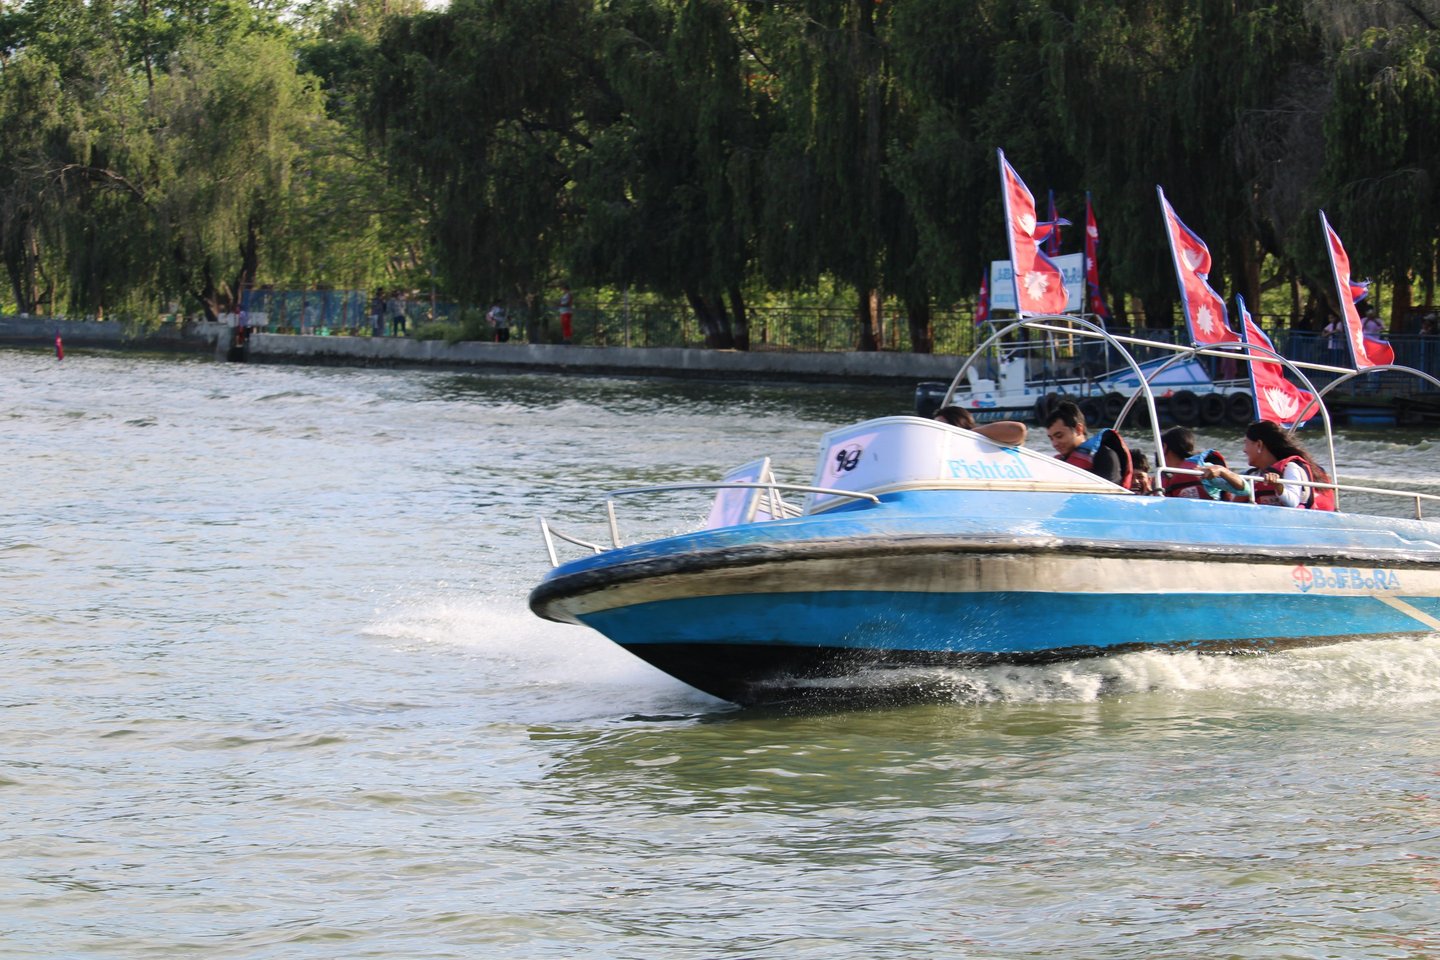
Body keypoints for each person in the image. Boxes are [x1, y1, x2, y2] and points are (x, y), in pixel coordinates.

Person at [1201, 419, 1335, 510]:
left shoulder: (1291, 468)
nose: (1244, 449)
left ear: (1259, 445)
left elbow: (1292, 502)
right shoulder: (1253, 475)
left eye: (1246, 443)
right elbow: (1236, 489)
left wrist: (1278, 486)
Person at [1045, 400, 1132, 487]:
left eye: (1059, 436)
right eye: (1051, 439)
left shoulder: (1105, 456)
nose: (1054, 444)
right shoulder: (1058, 463)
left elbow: (1109, 496)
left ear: (1079, 429)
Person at [1159, 426, 1239, 500]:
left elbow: (1244, 490)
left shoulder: (1204, 470)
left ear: (1164, 447)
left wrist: (1221, 471)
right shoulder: (1165, 478)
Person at [932, 405, 1027, 446]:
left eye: (943, 427)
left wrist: (966, 435)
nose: (938, 432)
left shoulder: (982, 441)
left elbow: (1018, 430)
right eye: (936, 428)